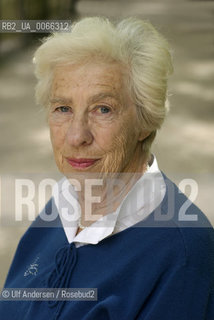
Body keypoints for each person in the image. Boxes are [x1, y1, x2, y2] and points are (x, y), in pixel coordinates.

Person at [0, 16, 214, 320]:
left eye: (103, 109)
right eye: (63, 108)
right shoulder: (63, 204)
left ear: (145, 120)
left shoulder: (183, 252)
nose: (76, 136)